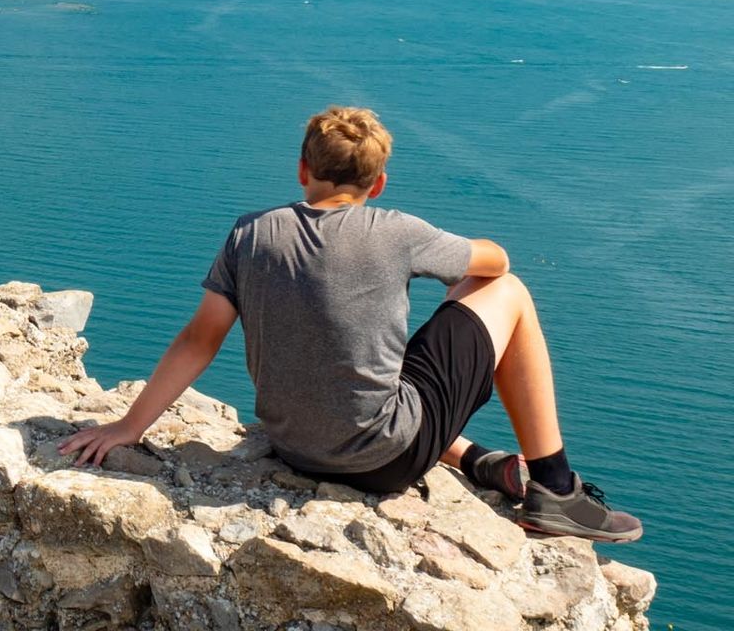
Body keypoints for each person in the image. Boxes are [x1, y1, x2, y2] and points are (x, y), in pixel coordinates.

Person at [58, 106, 640, 542]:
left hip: (295, 447)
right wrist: (442, 261)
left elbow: (198, 340)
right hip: (382, 462)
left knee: (378, 367)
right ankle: (556, 487)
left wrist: (128, 428)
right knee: (506, 293)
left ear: (303, 169)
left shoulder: (250, 233)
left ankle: (477, 461)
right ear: (377, 183)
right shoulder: (396, 230)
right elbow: (498, 263)